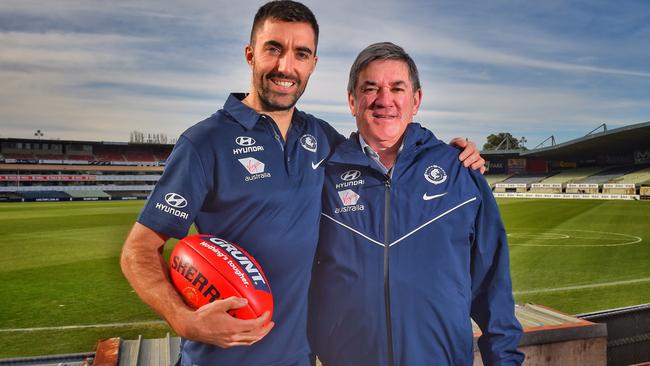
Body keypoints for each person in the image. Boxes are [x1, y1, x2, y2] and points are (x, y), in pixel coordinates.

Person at [120, 2, 484, 365]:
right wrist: (185, 321)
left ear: (313, 64)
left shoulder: (321, 137)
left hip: (297, 357)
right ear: (251, 54)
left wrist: (447, 155)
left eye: (301, 53)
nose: (286, 66)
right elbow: (138, 251)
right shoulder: (204, 143)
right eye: (273, 48)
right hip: (223, 359)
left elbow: (380, 149)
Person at [308, 42, 524, 366]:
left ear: (416, 100)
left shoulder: (460, 173)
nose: (385, 100)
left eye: (397, 88)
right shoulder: (322, 180)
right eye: (371, 88)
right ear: (353, 100)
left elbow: (493, 289)